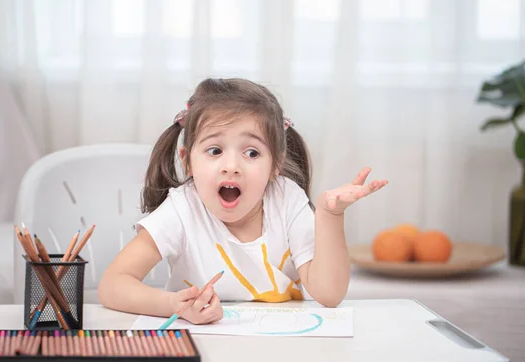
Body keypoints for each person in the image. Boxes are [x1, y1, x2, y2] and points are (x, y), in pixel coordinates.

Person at [98, 78, 387, 325]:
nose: (231, 166)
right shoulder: (182, 208)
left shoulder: (287, 199)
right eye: (214, 150)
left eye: (251, 153)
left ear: (275, 163)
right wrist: (176, 305)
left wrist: (330, 217)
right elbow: (113, 285)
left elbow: (329, 294)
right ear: (187, 162)